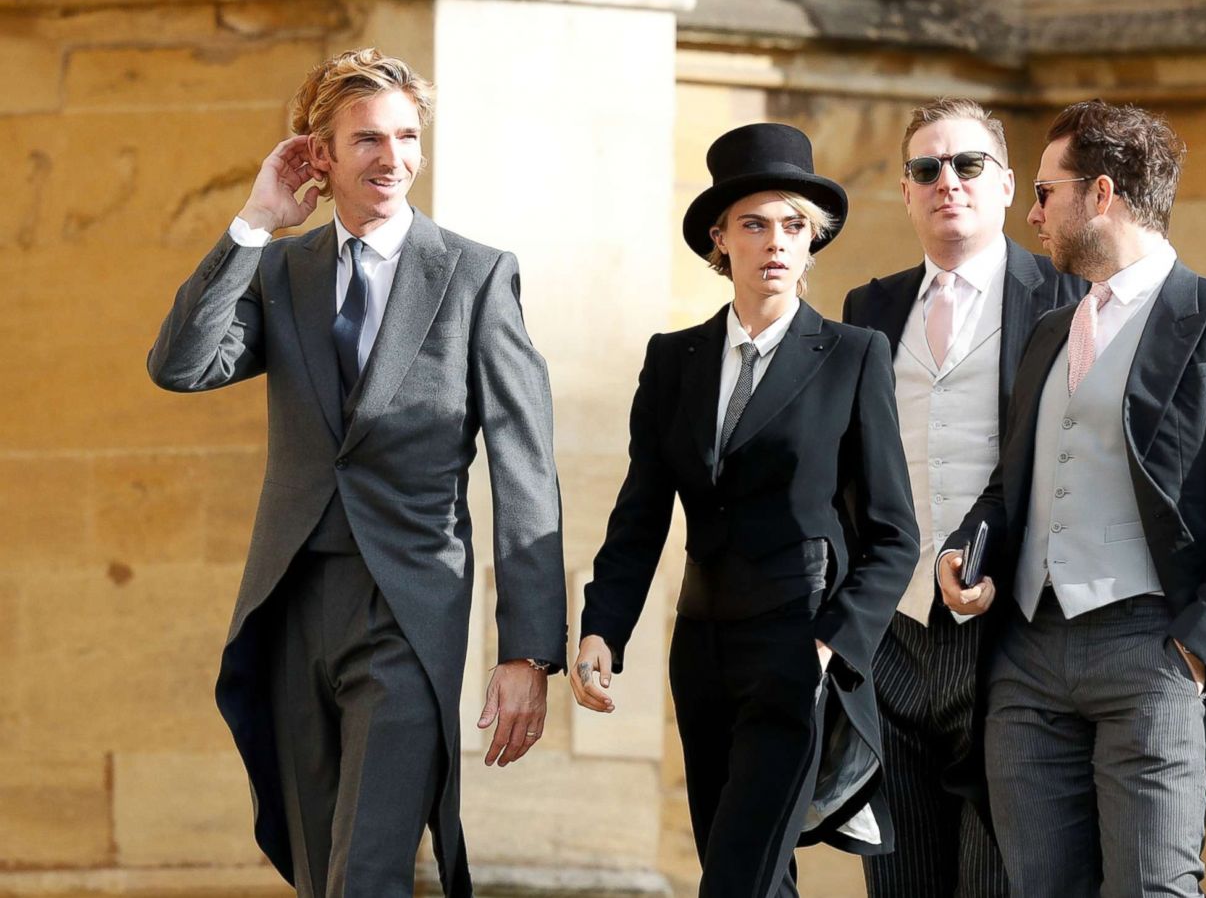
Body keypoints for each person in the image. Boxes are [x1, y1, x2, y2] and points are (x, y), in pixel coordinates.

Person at [146, 49, 566, 897]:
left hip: (407, 610)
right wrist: (254, 222)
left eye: (408, 137)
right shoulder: (280, 272)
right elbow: (180, 366)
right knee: (318, 874)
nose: (393, 157)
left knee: (369, 870)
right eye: (368, 139)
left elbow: (526, 465)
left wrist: (528, 648)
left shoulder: (476, 275)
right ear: (321, 155)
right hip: (292, 597)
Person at [935, 100, 1206, 897]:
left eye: (1045, 192)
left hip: (1152, 650)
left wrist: (1195, 649)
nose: (1031, 214)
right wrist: (970, 545)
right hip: (1026, 660)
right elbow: (1013, 484)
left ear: (1102, 195)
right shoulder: (1048, 333)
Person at [571, 122, 919, 898]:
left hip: (799, 647)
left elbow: (895, 535)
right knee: (757, 879)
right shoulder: (674, 361)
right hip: (700, 653)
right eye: (755, 224)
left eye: (794, 225)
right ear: (720, 240)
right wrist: (602, 627)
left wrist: (834, 646)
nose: (776, 242)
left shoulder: (854, 356)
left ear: (812, 240)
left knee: (734, 883)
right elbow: (639, 518)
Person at [840, 97, 1086, 898]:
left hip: (1012, 642)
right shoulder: (868, 310)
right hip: (890, 638)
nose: (948, 181)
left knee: (1000, 884)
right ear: (907, 192)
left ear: (1009, 184)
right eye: (926, 168)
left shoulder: (1066, 299)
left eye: (968, 164)